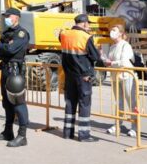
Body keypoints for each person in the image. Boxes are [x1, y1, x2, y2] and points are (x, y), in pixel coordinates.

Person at [58, 13, 100, 142]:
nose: (89, 26)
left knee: (70, 102)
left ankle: (67, 132)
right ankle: (84, 135)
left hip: (69, 75)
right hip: (83, 76)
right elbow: (95, 57)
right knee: (84, 104)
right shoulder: (86, 37)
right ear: (85, 23)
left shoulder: (64, 34)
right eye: (88, 24)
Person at [0, 8, 30, 147]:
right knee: (6, 103)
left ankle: (22, 136)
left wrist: (4, 47)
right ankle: (8, 132)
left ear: (17, 17)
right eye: (5, 16)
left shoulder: (21, 33)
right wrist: (4, 46)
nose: (6, 18)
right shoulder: (6, 33)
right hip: (5, 69)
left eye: (9, 16)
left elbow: (10, 49)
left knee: (18, 103)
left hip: (15, 72)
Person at [103, 23, 137, 137]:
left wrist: (111, 63)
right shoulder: (112, 46)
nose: (112, 32)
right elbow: (110, 60)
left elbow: (124, 62)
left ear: (121, 33)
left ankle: (135, 126)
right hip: (115, 77)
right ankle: (118, 123)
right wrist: (105, 60)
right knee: (118, 102)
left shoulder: (125, 45)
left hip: (126, 76)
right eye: (111, 30)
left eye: (114, 30)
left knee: (131, 101)